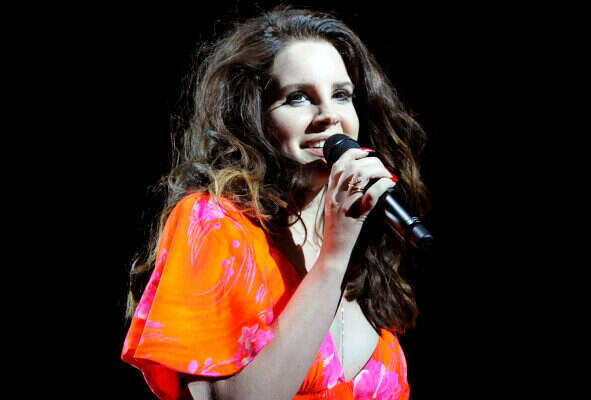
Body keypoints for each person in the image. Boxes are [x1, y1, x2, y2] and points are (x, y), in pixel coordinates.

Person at [122, 6, 430, 400]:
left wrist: (343, 244)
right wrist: (333, 258)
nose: (328, 116)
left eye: (341, 95)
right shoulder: (214, 223)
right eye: (298, 98)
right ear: (253, 118)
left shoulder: (365, 244)